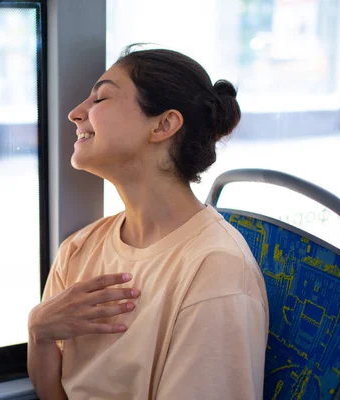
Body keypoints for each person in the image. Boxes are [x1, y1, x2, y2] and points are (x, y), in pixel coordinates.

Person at [27, 46, 269, 400]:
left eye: (101, 98)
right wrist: (39, 331)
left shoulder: (216, 270)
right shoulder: (80, 249)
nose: (75, 113)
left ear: (163, 124)